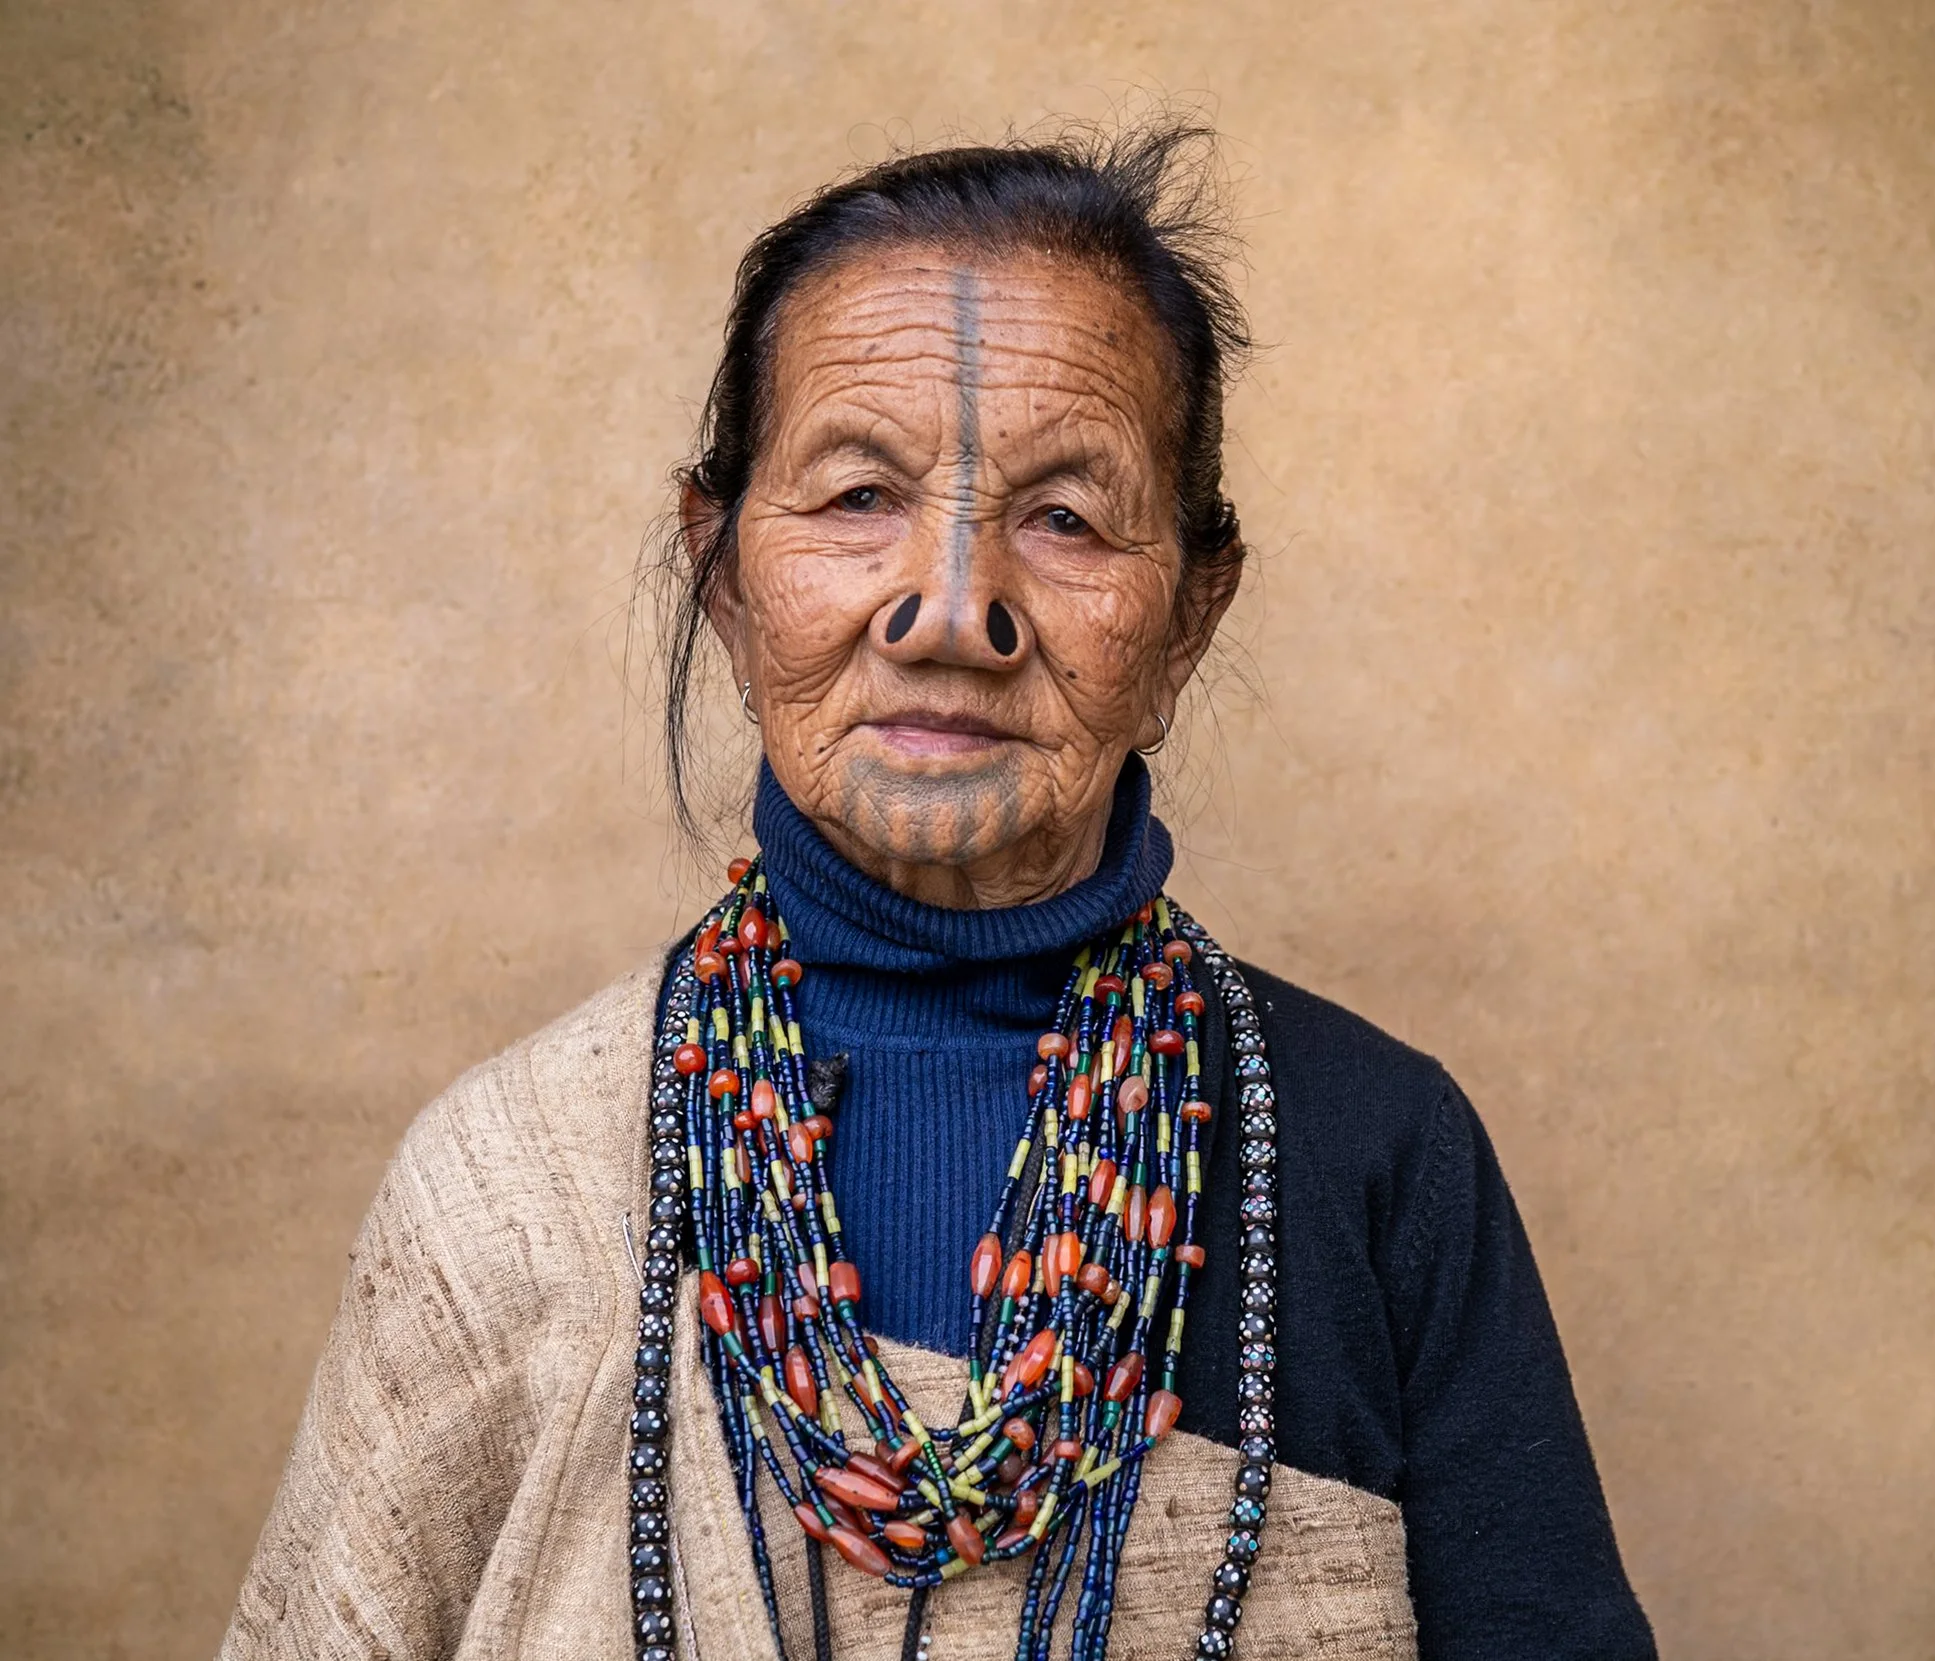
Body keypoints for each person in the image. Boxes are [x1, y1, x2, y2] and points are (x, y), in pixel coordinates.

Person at [223, 124, 1656, 1661]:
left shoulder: (1378, 1157)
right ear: (721, 571)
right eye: (855, 495)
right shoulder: (503, 1191)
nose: (953, 608)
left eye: (1066, 518)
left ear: (1187, 617)